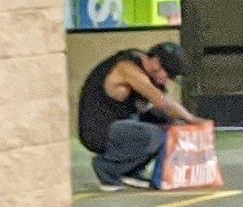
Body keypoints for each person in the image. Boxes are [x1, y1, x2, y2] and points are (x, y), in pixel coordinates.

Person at [78, 43, 204, 191]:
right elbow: (163, 103)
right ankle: (107, 169)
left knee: (168, 126)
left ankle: (130, 171)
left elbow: (156, 110)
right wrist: (191, 119)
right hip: (97, 130)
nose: (167, 80)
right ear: (156, 63)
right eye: (168, 74)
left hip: (120, 125)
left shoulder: (147, 70)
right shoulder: (128, 68)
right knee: (156, 135)